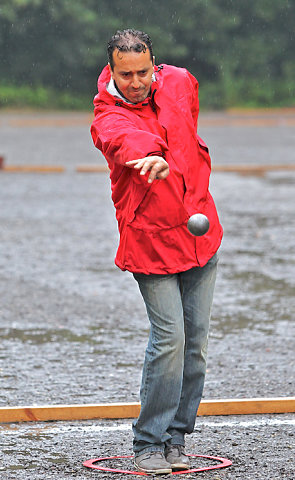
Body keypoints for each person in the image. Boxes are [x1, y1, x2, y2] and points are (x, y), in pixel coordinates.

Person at [90, 29, 223, 475]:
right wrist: (152, 154)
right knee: (170, 339)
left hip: (199, 232)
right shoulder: (106, 115)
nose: (135, 82)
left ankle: (176, 438)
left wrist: (186, 169)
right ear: (111, 70)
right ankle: (148, 442)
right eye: (125, 74)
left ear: (155, 64)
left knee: (197, 344)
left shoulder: (181, 81)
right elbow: (122, 138)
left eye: (142, 71)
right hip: (150, 240)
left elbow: (189, 130)